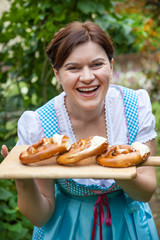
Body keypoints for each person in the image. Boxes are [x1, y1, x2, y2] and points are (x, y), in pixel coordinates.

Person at [1, 21, 159, 240]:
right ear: (57, 73)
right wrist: (23, 179)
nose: (87, 77)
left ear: (111, 66)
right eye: (73, 68)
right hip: (68, 228)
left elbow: (146, 191)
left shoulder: (134, 106)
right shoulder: (40, 125)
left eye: (97, 64)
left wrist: (114, 167)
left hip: (130, 226)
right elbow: (40, 216)